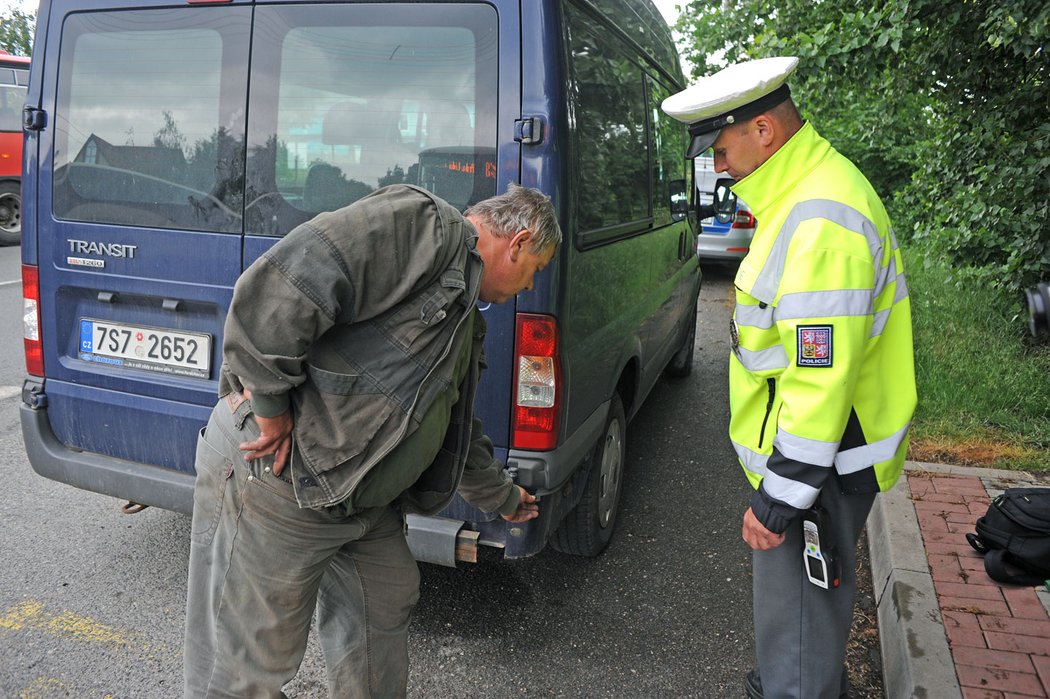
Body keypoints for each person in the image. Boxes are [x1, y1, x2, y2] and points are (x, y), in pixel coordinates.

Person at [183, 183, 561, 698]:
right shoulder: (423, 225)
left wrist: (503, 497)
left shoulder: (465, 315)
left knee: (383, 602)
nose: (529, 285)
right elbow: (283, 285)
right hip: (284, 476)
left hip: (361, 496)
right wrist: (270, 410)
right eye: (534, 269)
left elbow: (453, 426)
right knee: (247, 665)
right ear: (516, 243)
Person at [663, 57, 917, 698]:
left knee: (801, 641)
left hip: (818, 469)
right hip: (817, 463)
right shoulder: (804, 196)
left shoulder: (819, 220)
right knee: (796, 624)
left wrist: (781, 499)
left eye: (721, 149)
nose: (718, 166)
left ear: (765, 132)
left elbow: (819, 382)